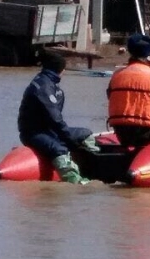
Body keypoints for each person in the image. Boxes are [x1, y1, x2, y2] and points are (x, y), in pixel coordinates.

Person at [18, 50, 95, 184]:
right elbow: (55, 119)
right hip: (34, 133)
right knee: (59, 149)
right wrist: (70, 141)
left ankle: (94, 167)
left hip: (50, 131)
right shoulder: (43, 87)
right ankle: (77, 182)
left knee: (86, 134)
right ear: (60, 69)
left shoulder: (51, 84)